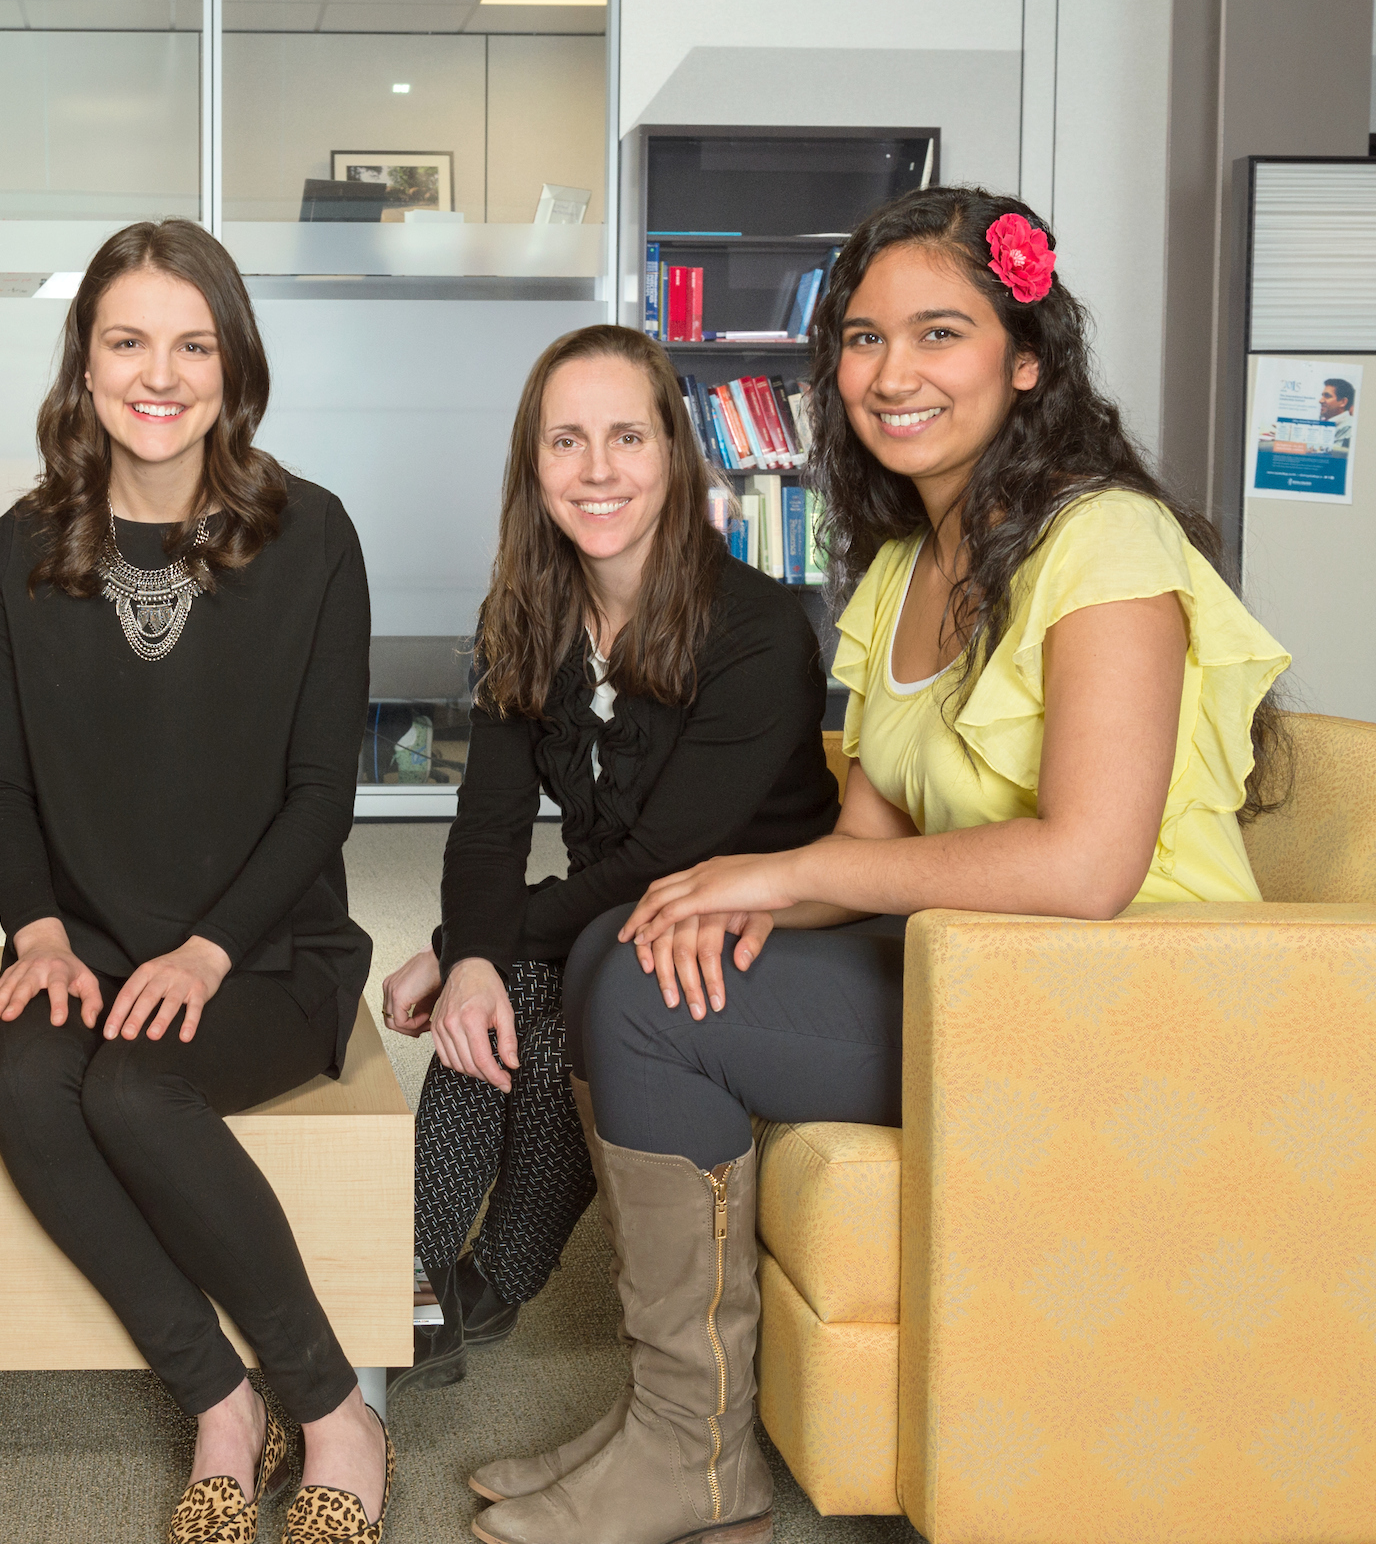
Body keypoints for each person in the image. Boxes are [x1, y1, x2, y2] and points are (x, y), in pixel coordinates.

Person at [464, 189, 1290, 1544]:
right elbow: (869, 848)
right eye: (862, 338)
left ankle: (691, 1452)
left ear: (1026, 358)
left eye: (940, 332)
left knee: (643, 993)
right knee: (634, 945)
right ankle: (682, 1420)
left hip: (1130, 1006)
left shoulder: (1109, 544)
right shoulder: (904, 565)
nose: (892, 373)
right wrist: (736, 886)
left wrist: (773, 882)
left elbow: (1090, 862)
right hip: (972, 973)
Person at [0, 219, 392, 1544]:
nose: (161, 374)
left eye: (193, 343)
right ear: (84, 365)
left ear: (233, 363)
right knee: (24, 1072)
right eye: (128, 340)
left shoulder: (313, 536)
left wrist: (207, 949)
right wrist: (37, 930)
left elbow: (325, 790)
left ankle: (333, 1411)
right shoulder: (18, 550)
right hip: (86, 939)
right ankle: (218, 1397)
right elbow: (1, 785)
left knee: (133, 1086)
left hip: (264, 953)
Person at [378, 326, 838, 1396]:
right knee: (499, 997)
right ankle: (404, 1273)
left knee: (546, 1008)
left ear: (673, 452)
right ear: (532, 467)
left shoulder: (761, 631)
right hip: (610, 913)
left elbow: (655, 860)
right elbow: (487, 825)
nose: (597, 471)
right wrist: (478, 957)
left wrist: (461, 944)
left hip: (750, 924)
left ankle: (486, 1280)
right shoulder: (523, 618)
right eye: (566, 441)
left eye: (627, 436)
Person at [1320, 377, 1354, 449]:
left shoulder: (1350, 428)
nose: (1320, 400)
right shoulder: (1323, 422)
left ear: (1343, 402)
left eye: (1327, 396)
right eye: (1322, 396)